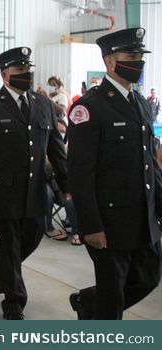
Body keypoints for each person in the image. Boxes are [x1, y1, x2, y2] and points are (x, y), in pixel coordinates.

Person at [68, 28, 162, 320]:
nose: (138, 62)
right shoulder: (89, 107)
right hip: (109, 222)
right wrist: (91, 225)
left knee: (148, 277)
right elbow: (80, 172)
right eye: (131, 56)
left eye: (140, 56)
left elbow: (149, 164)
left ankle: (87, 302)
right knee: (112, 300)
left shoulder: (142, 104)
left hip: (142, 217)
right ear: (110, 61)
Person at [0, 47, 68, 320]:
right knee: (10, 245)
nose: (26, 76)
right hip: (1, 193)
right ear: (5, 75)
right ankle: (14, 302)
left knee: (32, 236)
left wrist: (67, 186)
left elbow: (56, 150)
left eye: (28, 71)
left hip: (35, 192)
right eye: (19, 72)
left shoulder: (43, 105)